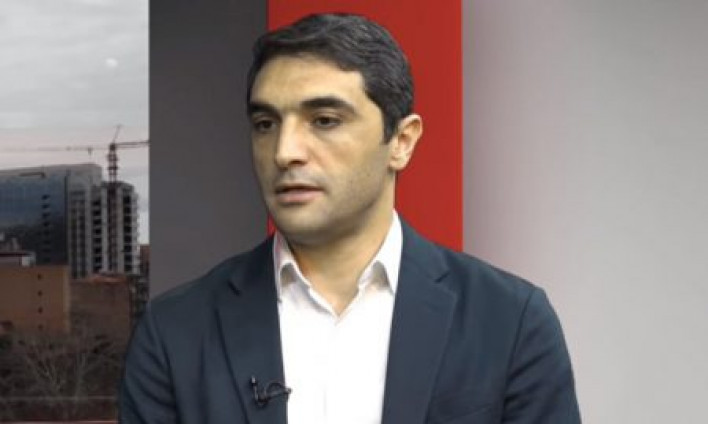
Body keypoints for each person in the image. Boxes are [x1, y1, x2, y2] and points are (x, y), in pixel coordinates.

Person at [120, 13, 581, 424]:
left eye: (324, 120)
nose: (284, 152)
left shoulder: (509, 321)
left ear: (401, 141)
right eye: (266, 124)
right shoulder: (175, 332)